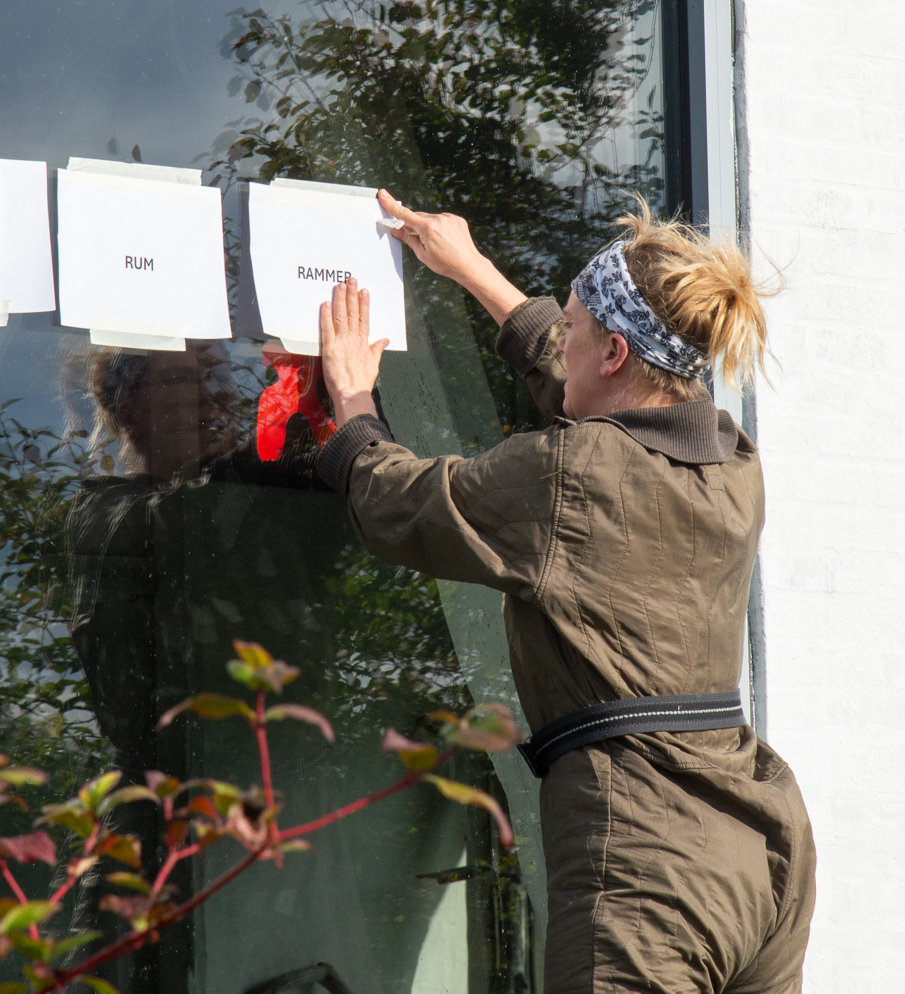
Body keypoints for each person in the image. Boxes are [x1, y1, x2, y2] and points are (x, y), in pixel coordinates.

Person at [313, 191, 816, 994]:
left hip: (648, 861)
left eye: (576, 325)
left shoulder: (567, 476)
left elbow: (400, 505)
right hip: (763, 848)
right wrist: (472, 270)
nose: (564, 339)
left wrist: (351, 403)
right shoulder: (730, 460)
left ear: (613, 352)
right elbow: (587, 386)